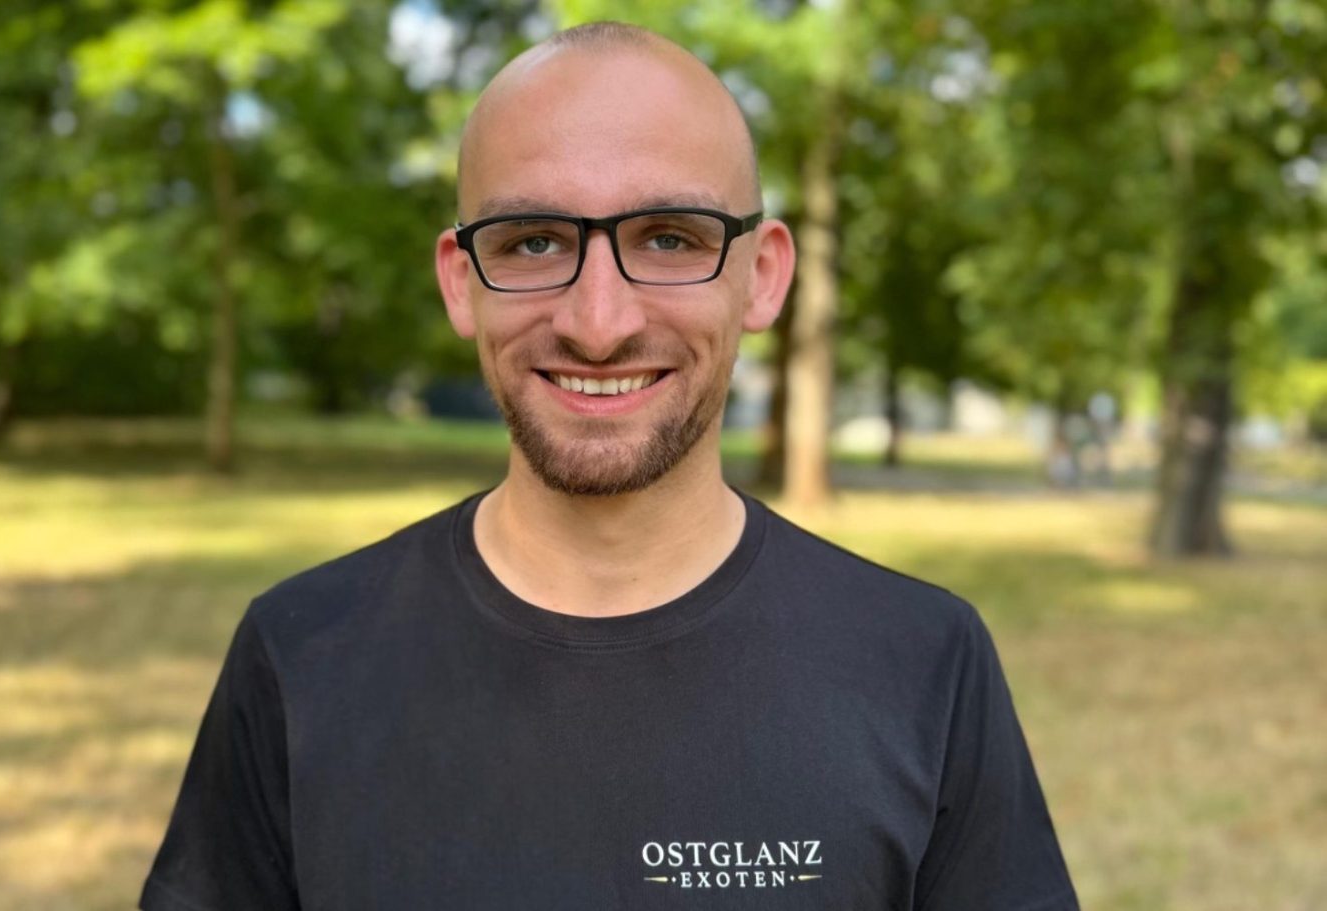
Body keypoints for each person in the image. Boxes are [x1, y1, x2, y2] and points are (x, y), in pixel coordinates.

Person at [141, 21, 1078, 911]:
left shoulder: (924, 661)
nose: (599, 323)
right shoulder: (300, 654)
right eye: (534, 241)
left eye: (669, 239)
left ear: (762, 275)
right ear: (461, 281)